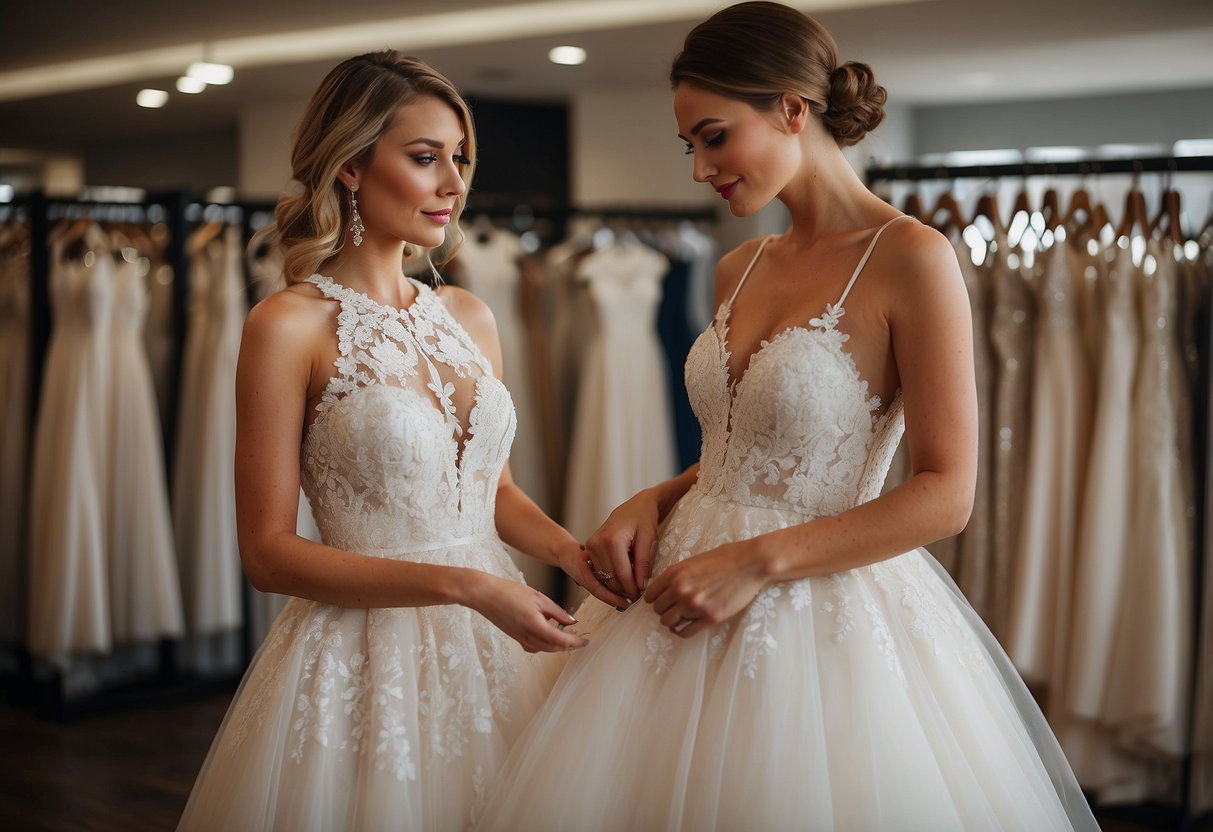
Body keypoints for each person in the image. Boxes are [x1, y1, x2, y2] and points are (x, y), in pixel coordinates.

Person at [474, 4, 1100, 830]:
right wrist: (654, 499)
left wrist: (755, 563)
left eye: (713, 136)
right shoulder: (739, 265)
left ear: (791, 110)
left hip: (817, 609)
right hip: (677, 594)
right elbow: (750, 451)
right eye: (689, 146)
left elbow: (947, 493)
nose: (700, 169)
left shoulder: (911, 257)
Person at [176, 51, 627, 832]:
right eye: (425, 158)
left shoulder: (469, 315)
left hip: (497, 639)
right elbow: (266, 554)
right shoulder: (287, 325)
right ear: (351, 165)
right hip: (363, 654)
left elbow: (495, 492)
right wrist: (466, 586)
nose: (454, 182)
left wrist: (568, 555)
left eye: (460, 157)